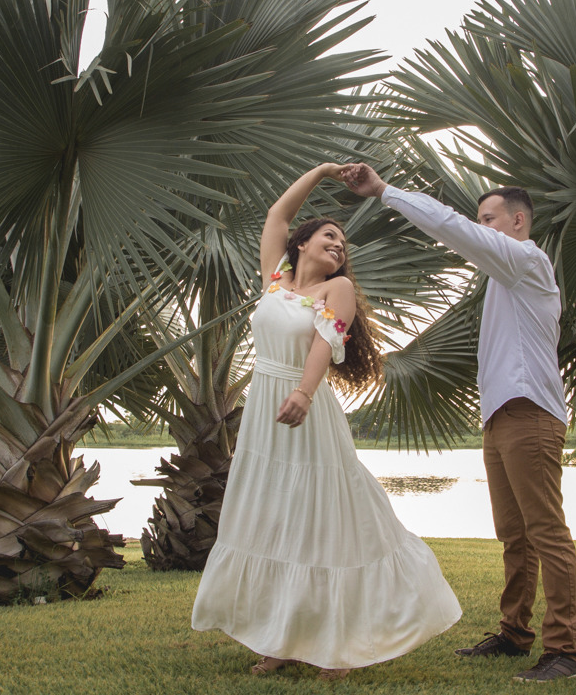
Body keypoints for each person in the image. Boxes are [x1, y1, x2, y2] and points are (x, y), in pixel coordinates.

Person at [191, 162, 461, 681]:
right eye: (329, 236)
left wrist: (303, 392)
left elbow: (324, 343)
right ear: (301, 245)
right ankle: (277, 641)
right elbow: (277, 213)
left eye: (343, 243)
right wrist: (321, 171)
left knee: (321, 522)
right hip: (264, 416)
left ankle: (334, 645)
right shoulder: (276, 280)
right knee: (273, 517)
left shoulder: (336, 291)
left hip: (305, 409)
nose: (339, 246)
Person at [344, 163, 576, 683]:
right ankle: (514, 633)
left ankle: (564, 651)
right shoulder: (505, 279)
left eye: (489, 219)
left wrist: (385, 191)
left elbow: (454, 228)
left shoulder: (527, 261)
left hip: (530, 414)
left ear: (519, 221)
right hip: (500, 416)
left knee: (546, 532)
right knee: (514, 535)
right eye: (480, 220)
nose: (481, 228)